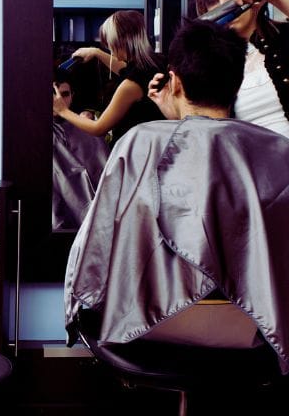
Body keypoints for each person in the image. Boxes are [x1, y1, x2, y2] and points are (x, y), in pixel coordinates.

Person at [65, 20, 289, 374]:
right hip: (256, 329)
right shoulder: (277, 150)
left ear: (176, 82)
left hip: (145, 327)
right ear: (237, 83)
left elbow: (95, 247)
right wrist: (180, 119)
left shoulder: (140, 142)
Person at [189, 0, 289, 137]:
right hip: (250, 162)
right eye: (212, 1)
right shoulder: (209, 65)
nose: (224, 6)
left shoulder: (285, 36)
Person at [53, 10, 164, 147]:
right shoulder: (157, 63)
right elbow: (124, 70)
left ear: (120, 42)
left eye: (110, 45)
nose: (110, 50)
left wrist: (62, 110)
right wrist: (96, 52)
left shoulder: (131, 86)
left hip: (133, 152)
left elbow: (98, 128)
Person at [52, 72, 109, 230]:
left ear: (72, 96)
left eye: (64, 94)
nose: (59, 101)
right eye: (54, 94)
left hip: (91, 220)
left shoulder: (87, 129)